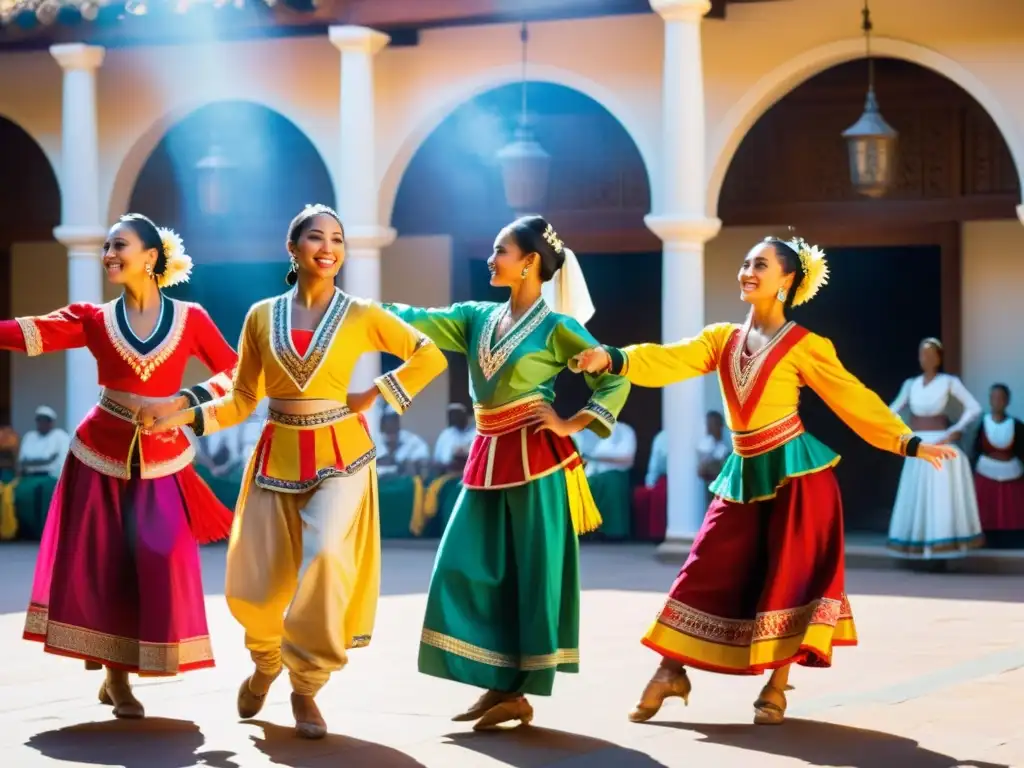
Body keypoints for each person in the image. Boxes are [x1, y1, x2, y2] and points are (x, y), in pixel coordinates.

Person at [573, 235, 956, 725]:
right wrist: (613, 357)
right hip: (743, 472)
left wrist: (908, 442)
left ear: (787, 280)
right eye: (745, 262)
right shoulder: (721, 339)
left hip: (798, 476)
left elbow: (852, 398)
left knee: (791, 576)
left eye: (760, 264)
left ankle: (776, 685)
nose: (747, 271)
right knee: (703, 566)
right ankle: (671, 669)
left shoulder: (806, 345)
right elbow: (670, 358)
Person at [147, 204, 447, 739]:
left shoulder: (361, 313)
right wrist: (187, 416)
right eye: (316, 236)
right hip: (275, 456)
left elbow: (429, 355)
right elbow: (242, 397)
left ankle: (305, 686)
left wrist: (373, 393)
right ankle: (265, 662)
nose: (328, 247)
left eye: (337, 238)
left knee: (329, 552)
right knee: (256, 589)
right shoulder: (262, 315)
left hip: (343, 456)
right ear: (293, 248)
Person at [384, 215, 630, 730]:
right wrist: (358, 311)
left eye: (501, 251)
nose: (491, 260)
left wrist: (570, 423)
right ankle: (498, 681)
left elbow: (613, 379)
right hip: (486, 455)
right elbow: (415, 319)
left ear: (530, 263)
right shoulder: (475, 317)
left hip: (539, 461)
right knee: (459, 565)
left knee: (531, 574)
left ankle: (514, 690)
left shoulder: (559, 328)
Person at [0, 214, 239, 718]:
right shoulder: (93, 318)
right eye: (106, 246)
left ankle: (138, 662)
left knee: (159, 552)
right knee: (108, 563)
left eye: (119, 245)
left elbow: (237, 373)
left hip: (163, 456)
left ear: (151, 257)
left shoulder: (191, 318)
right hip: (99, 454)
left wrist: (185, 400)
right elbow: (27, 334)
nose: (109, 253)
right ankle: (117, 679)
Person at [887, 338, 984, 559]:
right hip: (918, 443)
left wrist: (956, 430)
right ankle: (919, 546)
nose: (927, 359)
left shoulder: (949, 382)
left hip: (940, 441)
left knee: (939, 495)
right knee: (918, 493)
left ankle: (942, 546)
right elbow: (891, 410)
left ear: (939, 358)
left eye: (931, 354)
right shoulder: (911, 384)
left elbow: (974, 408)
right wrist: (900, 432)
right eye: (923, 354)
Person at [972, 383, 1024, 548]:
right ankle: (987, 539)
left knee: (1013, 509)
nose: (997, 401)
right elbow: (976, 449)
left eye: (1001, 398)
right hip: (986, 471)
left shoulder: (1017, 425)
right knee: (986, 508)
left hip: (1012, 472)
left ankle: (1013, 539)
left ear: (1007, 401)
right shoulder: (982, 424)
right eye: (994, 398)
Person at [13, 405, 71, 539]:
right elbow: (23, 461)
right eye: (39, 420)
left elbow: (57, 461)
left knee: (43, 494)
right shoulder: (30, 436)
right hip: (29, 477)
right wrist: (43, 461)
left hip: (50, 477)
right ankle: (24, 533)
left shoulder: (59, 436)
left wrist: (38, 462)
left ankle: (44, 534)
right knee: (16, 493)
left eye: (45, 420)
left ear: (51, 422)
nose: (42, 423)